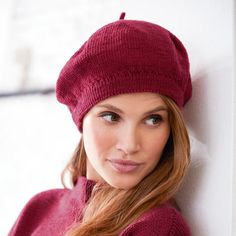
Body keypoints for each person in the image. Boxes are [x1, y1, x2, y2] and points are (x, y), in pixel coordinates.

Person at [9, 12, 192, 236]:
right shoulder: (38, 209)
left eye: (153, 120)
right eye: (111, 117)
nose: (130, 145)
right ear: (81, 117)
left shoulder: (156, 227)